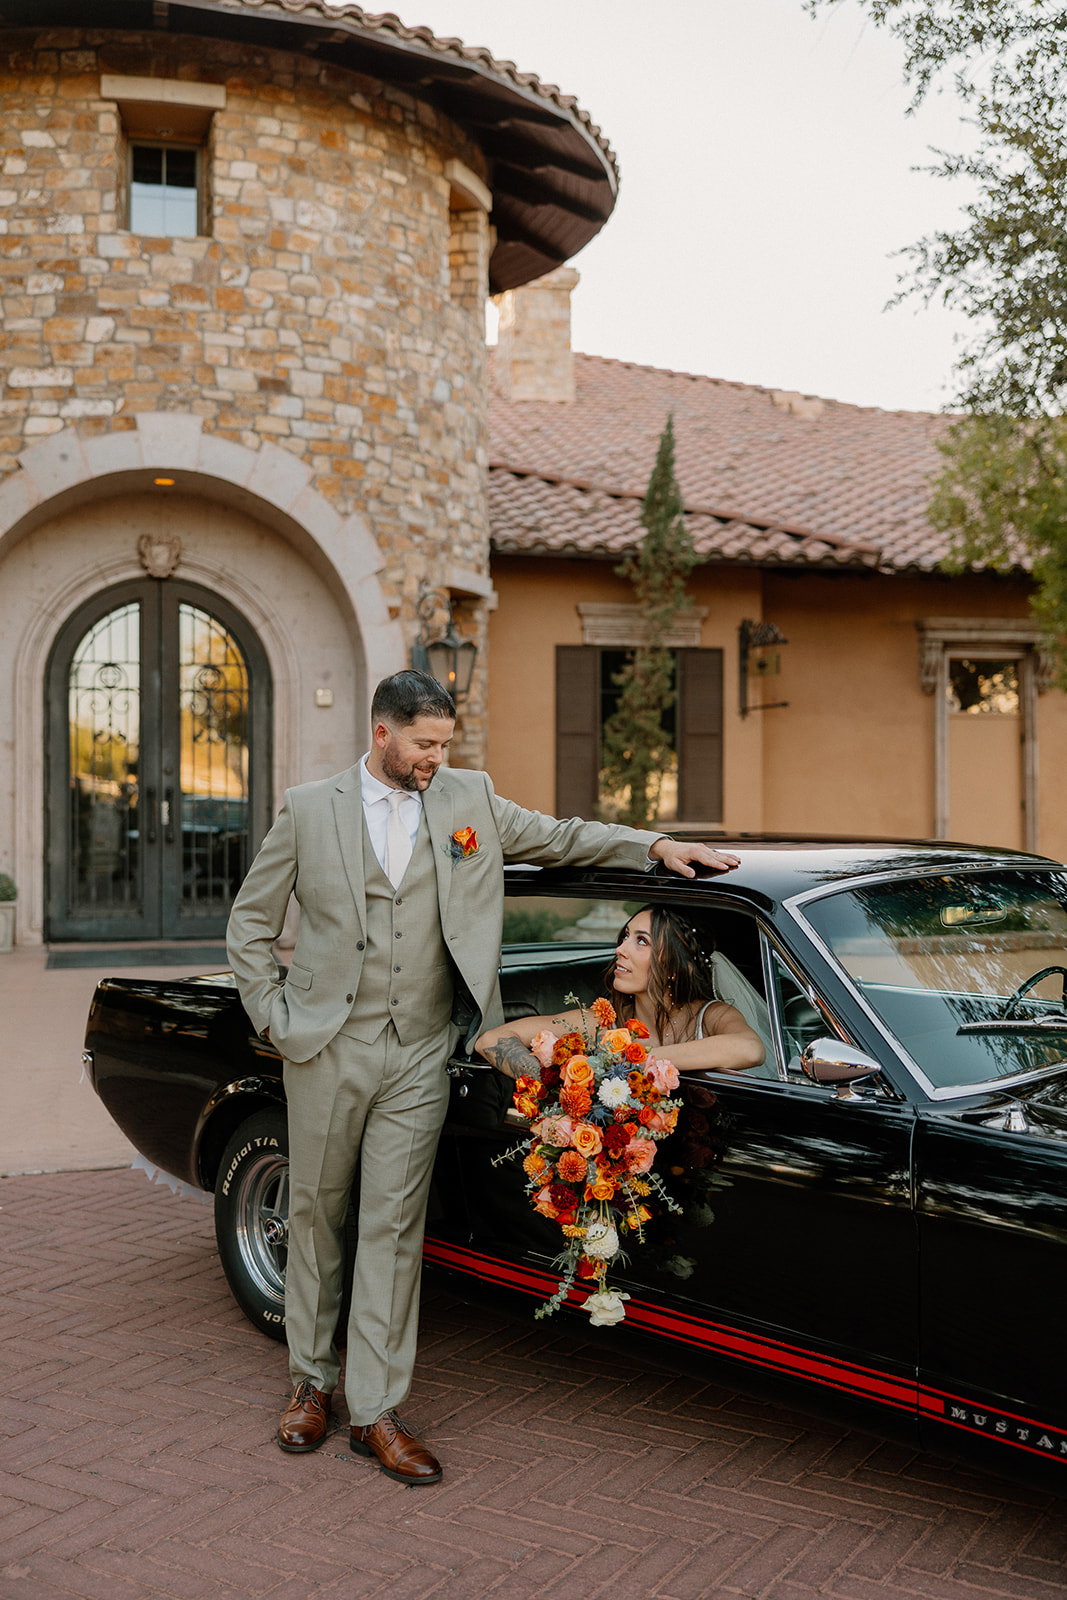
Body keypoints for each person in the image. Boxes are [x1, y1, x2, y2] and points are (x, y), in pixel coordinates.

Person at [226, 671, 740, 1486]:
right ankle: (307, 1385)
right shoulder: (309, 808)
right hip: (326, 1047)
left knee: (393, 1228)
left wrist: (654, 845)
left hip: (423, 1051)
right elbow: (250, 928)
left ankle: (376, 1411)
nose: (436, 759)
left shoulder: (469, 797)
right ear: (382, 735)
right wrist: (277, 1021)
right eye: (424, 744)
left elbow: (563, 836)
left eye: (444, 745)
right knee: (317, 1211)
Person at [475, 905, 765, 1077]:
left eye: (641, 942)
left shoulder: (711, 1016)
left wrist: (633, 1059)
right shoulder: (600, 1022)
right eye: (626, 936)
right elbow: (490, 1039)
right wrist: (554, 1083)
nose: (619, 949)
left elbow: (749, 1048)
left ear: (677, 966)